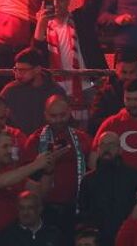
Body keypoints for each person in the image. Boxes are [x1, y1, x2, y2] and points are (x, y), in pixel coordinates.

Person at [0, 129, 60, 246]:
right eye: (5, 146)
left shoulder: (12, 172)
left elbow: (40, 192)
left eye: (11, 146)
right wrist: (36, 164)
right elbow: (2, 180)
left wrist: (48, 171)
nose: (10, 151)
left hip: (14, 240)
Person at [24, 95, 92, 228]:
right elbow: (26, 178)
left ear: (69, 112)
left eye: (62, 115)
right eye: (53, 116)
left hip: (76, 208)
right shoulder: (34, 141)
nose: (58, 120)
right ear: (45, 115)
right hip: (45, 209)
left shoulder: (82, 138)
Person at [78, 132, 137, 246]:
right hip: (98, 239)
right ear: (98, 150)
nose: (107, 148)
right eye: (103, 145)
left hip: (129, 237)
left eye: (111, 145)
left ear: (120, 149)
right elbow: (83, 211)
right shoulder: (88, 180)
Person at [0, 48, 67, 136]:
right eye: (16, 69)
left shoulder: (55, 91)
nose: (18, 75)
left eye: (23, 70)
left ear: (37, 69)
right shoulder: (10, 91)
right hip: (17, 143)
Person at [0, 189, 65, 246]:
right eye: (22, 208)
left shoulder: (54, 234)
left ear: (39, 209)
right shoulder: (7, 236)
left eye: (30, 208)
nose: (25, 213)